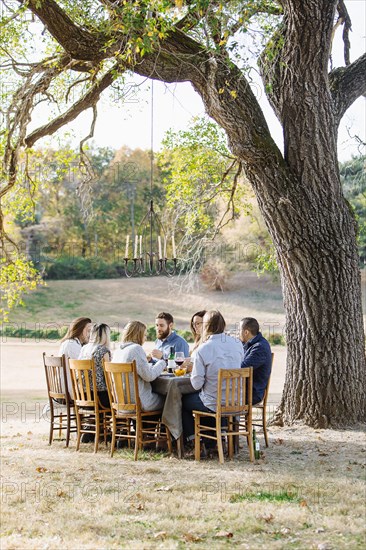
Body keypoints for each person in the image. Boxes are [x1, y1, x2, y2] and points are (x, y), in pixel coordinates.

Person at [182, 310, 244, 447]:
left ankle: (194, 443)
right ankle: (216, 439)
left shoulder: (203, 349)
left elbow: (197, 384)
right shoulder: (237, 343)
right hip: (236, 402)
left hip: (215, 404)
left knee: (183, 401)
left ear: (206, 326)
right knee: (206, 397)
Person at [112, 321, 166, 411]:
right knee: (171, 399)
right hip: (139, 403)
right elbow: (149, 376)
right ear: (138, 335)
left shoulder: (118, 351)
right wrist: (162, 362)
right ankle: (170, 425)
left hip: (121, 403)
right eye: (144, 335)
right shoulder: (136, 348)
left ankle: (147, 425)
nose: (145, 338)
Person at [239, 317, 272, 405]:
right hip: (243, 389)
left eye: (239, 330)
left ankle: (227, 418)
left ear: (246, 332)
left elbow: (242, 368)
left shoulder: (260, 347)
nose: (238, 334)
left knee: (217, 396)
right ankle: (230, 418)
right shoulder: (250, 344)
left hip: (252, 393)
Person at [78, 323, 111, 409]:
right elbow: (109, 377)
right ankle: (120, 422)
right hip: (100, 398)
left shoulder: (84, 349)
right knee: (123, 399)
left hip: (83, 396)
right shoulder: (103, 350)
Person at [58, 317, 92, 396]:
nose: (90, 335)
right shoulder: (72, 345)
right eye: (88, 331)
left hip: (67, 388)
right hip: (70, 390)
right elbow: (84, 367)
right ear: (79, 330)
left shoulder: (72, 343)